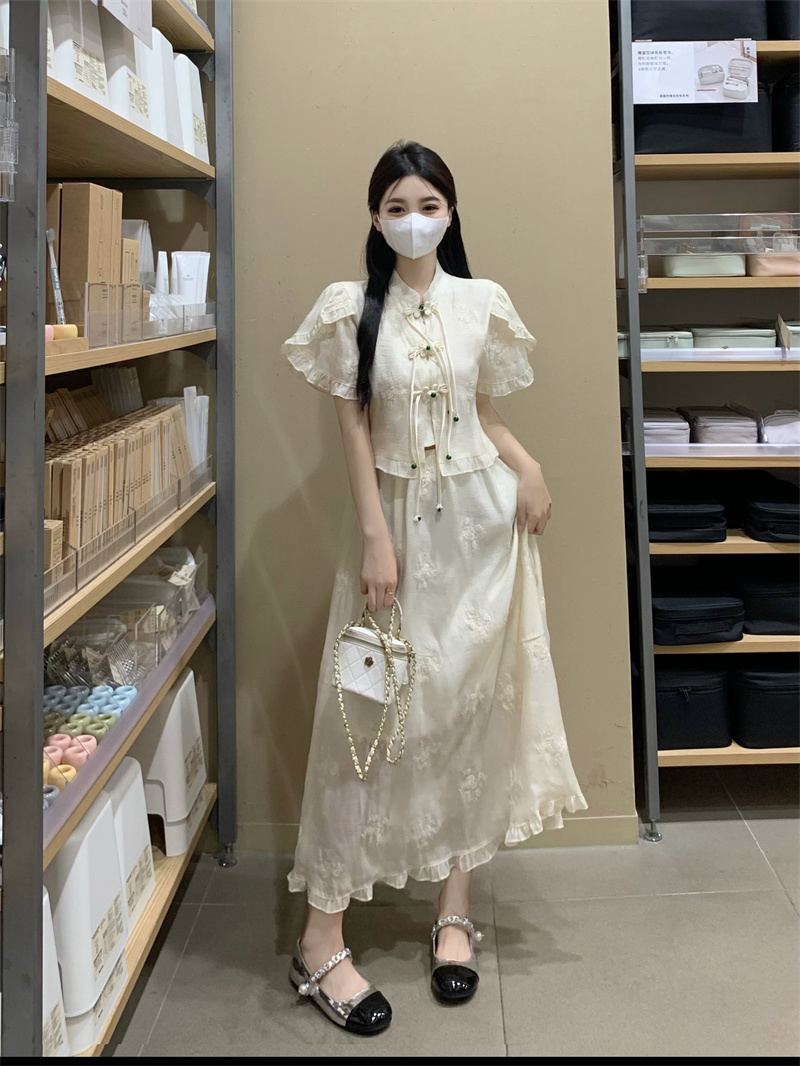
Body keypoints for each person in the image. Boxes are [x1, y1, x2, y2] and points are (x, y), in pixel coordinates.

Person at [281, 141, 587, 1035]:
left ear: (451, 212)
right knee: (367, 724)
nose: (414, 219)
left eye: (429, 204)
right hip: (397, 535)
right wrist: (375, 539)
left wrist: (529, 466)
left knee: (469, 719)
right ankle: (320, 939)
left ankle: (455, 913)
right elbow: (353, 426)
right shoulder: (350, 308)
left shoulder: (481, 303)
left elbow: (482, 414)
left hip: (484, 533)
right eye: (396, 206)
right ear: (375, 217)